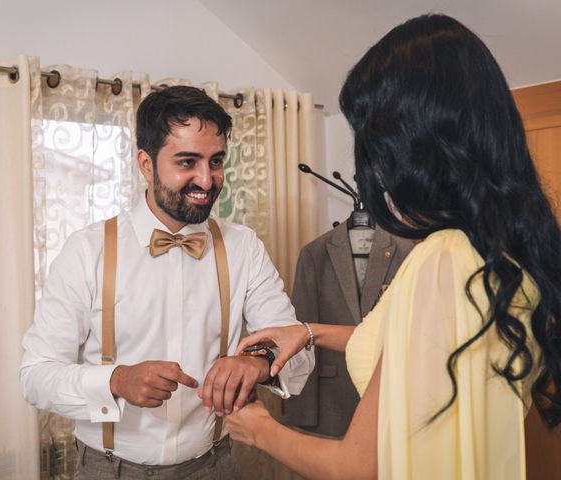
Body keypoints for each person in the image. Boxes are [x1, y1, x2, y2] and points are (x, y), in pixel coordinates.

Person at [224, 14, 561, 480]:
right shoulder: (498, 255)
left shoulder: (440, 261)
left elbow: (358, 465)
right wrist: (307, 332)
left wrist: (258, 428)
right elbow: (412, 348)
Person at [20, 85, 314, 479]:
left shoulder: (244, 247)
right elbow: (35, 375)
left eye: (216, 161)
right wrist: (116, 380)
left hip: (215, 465)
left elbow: (298, 347)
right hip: (108, 470)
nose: (206, 180)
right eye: (187, 162)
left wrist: (256, 361)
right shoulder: (86, 251)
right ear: (146, 163)